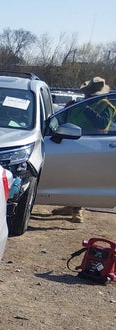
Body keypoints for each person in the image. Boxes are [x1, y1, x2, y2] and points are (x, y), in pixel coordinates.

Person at [52, 76, 115, 223]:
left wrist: (85, 108)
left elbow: (102, 123)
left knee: (81, 178)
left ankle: (78, 209)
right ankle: (69, 205)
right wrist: (68, 108)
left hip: (93, 147)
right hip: (72, 142)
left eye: (88, 94)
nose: (86, 96)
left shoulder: (107, 107)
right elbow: (65, 120)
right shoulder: (80, 105)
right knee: (69, 176)